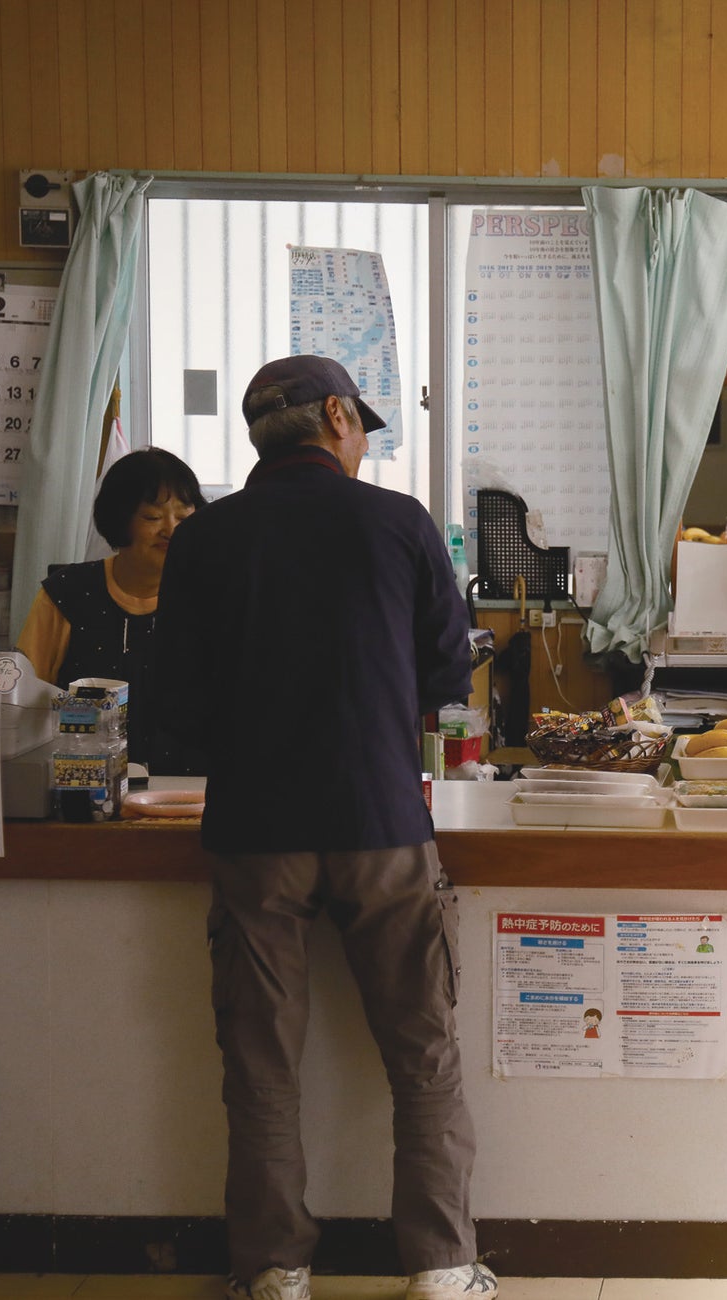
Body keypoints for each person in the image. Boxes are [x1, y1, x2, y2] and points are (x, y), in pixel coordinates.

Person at [156, 355, 495, 1300]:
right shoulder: (397, 522)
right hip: (382, 821)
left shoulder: (205, 538)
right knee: (422, 1054)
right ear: (338, 417)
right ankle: (441, 1262)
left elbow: (172, 710)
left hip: (255, 830)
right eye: (363, 426)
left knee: (262, 1063)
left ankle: (274, 1268)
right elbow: (445, 682)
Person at [15, 446, 203, 771]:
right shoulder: (67, 594)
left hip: (192, 789)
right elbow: (24, 699)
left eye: (184, 517)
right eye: (152, 517)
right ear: (120, 519)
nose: (171, 530)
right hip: (85, 787)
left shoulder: (213, 593)